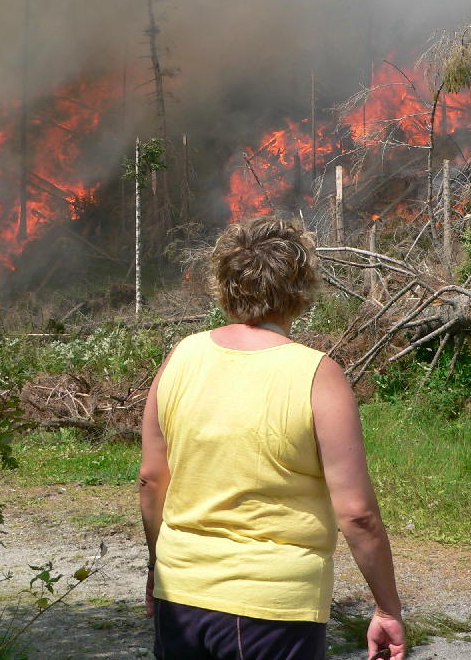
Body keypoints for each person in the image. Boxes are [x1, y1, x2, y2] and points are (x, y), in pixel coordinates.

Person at [139, 217, 405, 660]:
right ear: (301, 290)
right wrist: (387, 607)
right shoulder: (318, 375)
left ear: (223, 284)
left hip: (179, 592)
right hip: (273, 605)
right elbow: (357, 514)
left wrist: (156, 566)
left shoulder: (181, 356)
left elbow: (151, 480)